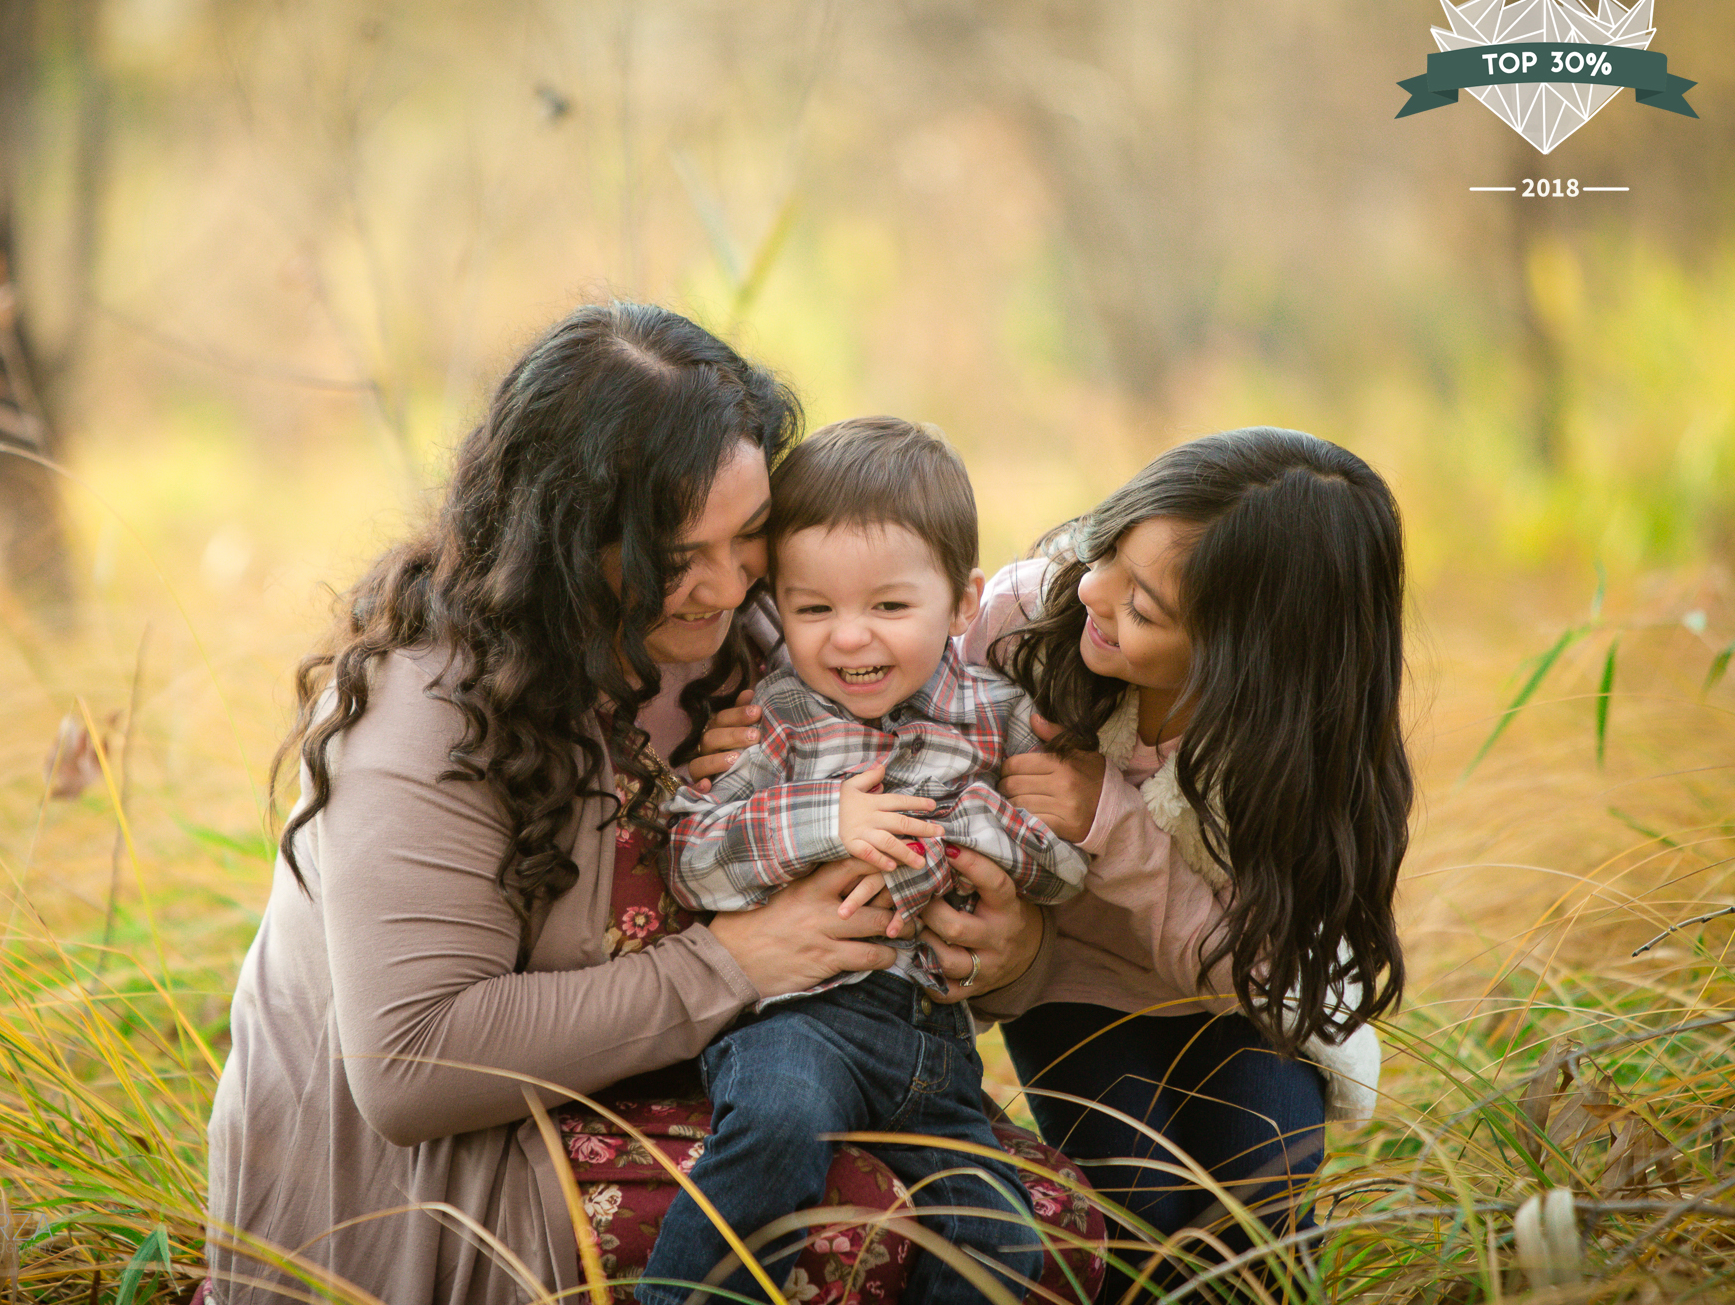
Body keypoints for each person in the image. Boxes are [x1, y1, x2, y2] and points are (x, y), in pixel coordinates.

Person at [204, 303, 1091, 1305]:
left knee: (1044, 1224)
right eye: (673, 556)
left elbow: (942, 837)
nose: (722, 587)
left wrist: (1006, 954)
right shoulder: (430, 710)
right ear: (565, 540)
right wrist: (733, 963)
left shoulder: (779, 641)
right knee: (846, 1233)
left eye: (748, 535)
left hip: (721, 1074)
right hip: (462, 1167)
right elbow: (408, 1066)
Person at [637, 418, 1090, 1305]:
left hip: (937, 1046)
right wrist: (825, 820)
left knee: (997, 1240)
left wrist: (991, 830)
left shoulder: (1000, 719)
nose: (849, 639)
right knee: (778, 1127)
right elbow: (692, 860)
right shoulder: (776, 716)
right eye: (814, 610)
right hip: (800, 1022)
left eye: (888, 607)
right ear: (781, 605)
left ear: (960, 604)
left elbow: (1063, 871)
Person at [968, 427, 1411, 1300]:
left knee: (1263, 1190)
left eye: (1145, 608)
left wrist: (1111, 821)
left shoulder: (1288, 754)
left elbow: (1254, 963)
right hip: (1072, 972)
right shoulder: (1028, 619)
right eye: (1109, 552)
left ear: (1250, 661)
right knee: (1142, 1204)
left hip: (1232, 987)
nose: (1095, 592)